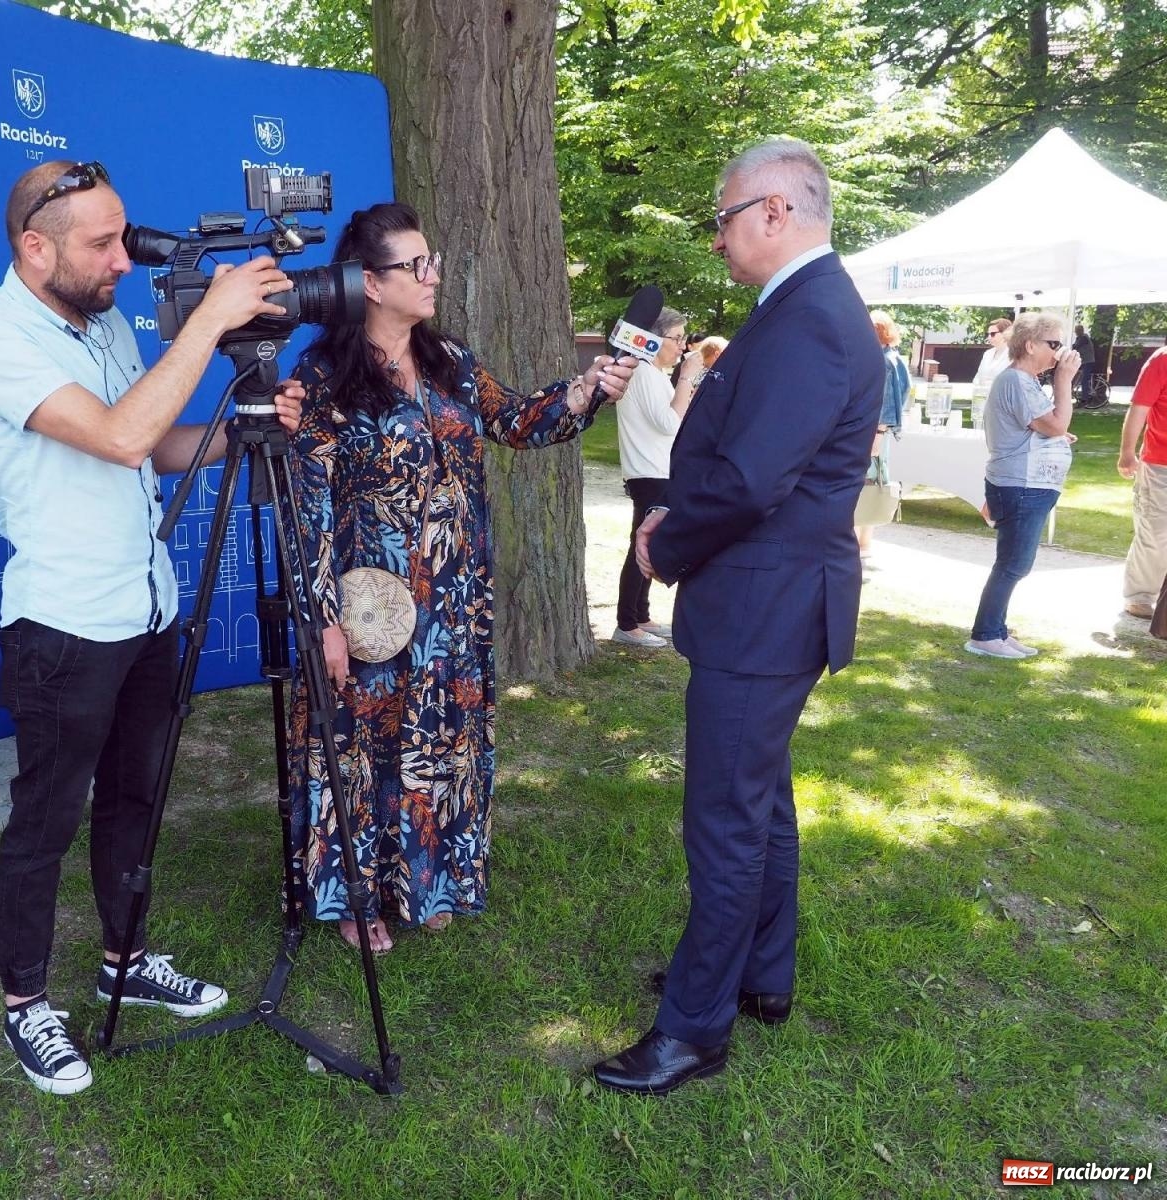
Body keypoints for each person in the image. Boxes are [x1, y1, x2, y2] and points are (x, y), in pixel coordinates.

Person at [0, 159, 304, 1095]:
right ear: (35, 246)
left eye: (123, 236)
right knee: (45, 821)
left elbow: (152, 447)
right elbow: (115, 436)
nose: (122, 259)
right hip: (63, 625)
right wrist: (212, 319)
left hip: (146, 607)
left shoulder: (102, 323)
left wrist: (245, 423)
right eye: (101, 244)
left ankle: (122, 958)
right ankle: (27, 1005)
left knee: (135, 799)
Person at [592, 138, 884, 1096]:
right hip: (774, 603)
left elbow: (754, 477)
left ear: (773, 211)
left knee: (725, 818)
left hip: (765, 609)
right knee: (762, 806)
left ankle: (693, 1028)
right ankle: (757, 976)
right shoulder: (808, 306)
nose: (716, 239)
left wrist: (664, 542)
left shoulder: (810, 317)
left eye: (723, 217)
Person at [286, 201, 633, 953]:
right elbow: (306, 508)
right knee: (365, 749)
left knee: (441, 744)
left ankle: (431, 879)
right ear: (371, 284)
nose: (432, 273)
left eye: (431, 259)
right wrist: (324, 622)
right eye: (416, 264)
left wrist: (591, 388)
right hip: (373, 611)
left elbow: (517, 421)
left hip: (453, 603)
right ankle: (358, 896)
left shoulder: (450, 362)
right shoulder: (322, 380)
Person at [964, 311, 1080, 659]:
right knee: (1013, 564)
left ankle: (996, 630)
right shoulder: (1015, 380)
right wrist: (1064, 380)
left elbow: (1041, 429)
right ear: (1030, 345)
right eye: (1054, 344)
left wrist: (1057, 438)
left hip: (1027, 484)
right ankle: (984, 635)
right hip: (1020, 485)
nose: (1060, 352)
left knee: (1014, 562)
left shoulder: (1024, 381)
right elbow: (1055, 425)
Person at [613, 307, 704, 647]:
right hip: (649, 472)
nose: (682, 346)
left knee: (648, 541)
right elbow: (670, 424)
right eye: (677, 338)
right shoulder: (645, 374)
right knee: (642, 544)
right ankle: (626, 623)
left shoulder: (652, 374)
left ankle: (640, 614)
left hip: (657, 469)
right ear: (654, 339)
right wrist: (685, 378)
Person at [1119, 339, 1167, 619]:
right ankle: (1139, 595)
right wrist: (1127, 452)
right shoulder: (1162, 360)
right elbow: (1140, 408)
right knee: (1155, 531)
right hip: (1160, 464)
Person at [857, 310, 910, 560]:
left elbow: (887, 403)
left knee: (867, 483)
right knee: (872, 482)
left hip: (874, 432)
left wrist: (878, 434)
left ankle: (861, 542)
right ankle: (863, 542)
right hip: (878, 432)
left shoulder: (885, 361)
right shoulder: (893, 358)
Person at [974, 317, 1012, 388]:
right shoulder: (988, 353)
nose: (989, 338)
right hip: (983, 394)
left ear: (1005, 333)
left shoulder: (1013, 355)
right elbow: (977, 377)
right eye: (988, 334)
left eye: (993, 334)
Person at [1073, 323, 1096, 402]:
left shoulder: (1083, 338)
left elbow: (1075, 347)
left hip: (1087, 362)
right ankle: (1075, 392)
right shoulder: (1080, 338)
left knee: (1084, 380)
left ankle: (1085, 399)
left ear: (1080, 331)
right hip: (1083, 361)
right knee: (1075, 375)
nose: (1075, 332)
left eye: (1076, 331)